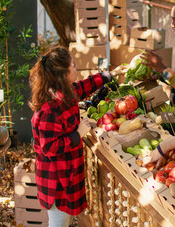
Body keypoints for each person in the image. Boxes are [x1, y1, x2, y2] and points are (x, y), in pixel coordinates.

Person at [29, 46, 114, 226]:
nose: (76, 68)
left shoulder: (65, 93)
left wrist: (106, 76)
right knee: (58, 222)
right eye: (73, 66)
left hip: (66, 175)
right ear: (64, 74)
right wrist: (77, 135)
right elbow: (50, 147)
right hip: (56, 183)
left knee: (64, 221)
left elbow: (82, 87)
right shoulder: (49, 108)